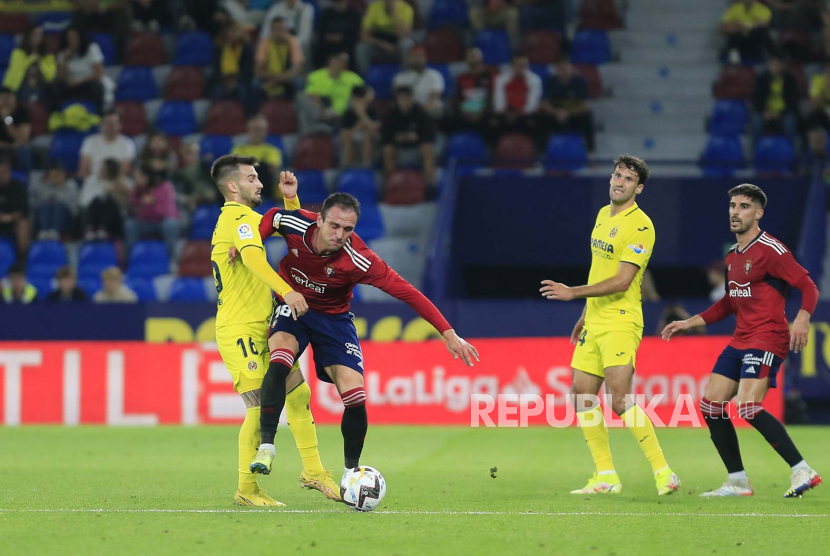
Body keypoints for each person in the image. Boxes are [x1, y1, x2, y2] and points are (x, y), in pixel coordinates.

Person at [249, 190, 479, 490]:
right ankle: (267, 446)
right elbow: (270, 218)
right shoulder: (295, 223)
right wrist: (251, 244)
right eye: (334, 226)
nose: (339, 234)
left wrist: (449, 333)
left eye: (348, 229)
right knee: (280, 359)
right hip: (294, 307)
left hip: (334, 321)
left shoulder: (359, 259)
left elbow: (406, 291)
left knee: (355, 397)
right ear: (318, 219)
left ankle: (351, 473)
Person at [661, 183, 821, 498]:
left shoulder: (772, 250)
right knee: (711, 406)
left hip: (768, 337)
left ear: (758, 213)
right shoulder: (733, 256)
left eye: (744, 206)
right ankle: (737, 481)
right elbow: (729, 302)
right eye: (733, 205)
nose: (736, 212)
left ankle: (802, 469)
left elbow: (809, 286)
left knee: (747, 406)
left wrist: (802, 318)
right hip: (740, 339)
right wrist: (689, 322)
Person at [540, 155, 681, 496]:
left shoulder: (641, 226)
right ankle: (606, 475)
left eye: (628, 179)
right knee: (581, 396)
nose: (619, 181)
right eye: (617, 175)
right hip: (596, 319)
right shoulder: (604, 215)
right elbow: (599, 271)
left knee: (619, 400)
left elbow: (621, 281)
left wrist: (573, 293)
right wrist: (585, 314)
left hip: (621, 319)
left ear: (639, 188)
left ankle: (664, 472)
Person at [209, 154, 340, 506]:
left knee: (297, 396)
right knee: (258, 408)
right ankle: (246, 490)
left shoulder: (249, 219)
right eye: (252, 178)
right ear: (233, 186)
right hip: (240, 328)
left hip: (262, 324)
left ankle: (314, 471)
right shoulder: (236, 218)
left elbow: (294, 231)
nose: (259, 183)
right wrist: (287, 290)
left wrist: (291, 202)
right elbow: (252, 257)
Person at [297, 52, 364, 134]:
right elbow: (311, 94)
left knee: (356, 100)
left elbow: (367, 93)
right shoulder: (315, 76)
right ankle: (317, 126)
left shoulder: (353, 78)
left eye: (343, 62)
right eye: (338, 61)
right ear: (331, 61)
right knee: (301, 96)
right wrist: (323, 111)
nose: (340, 64)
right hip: (322, 110)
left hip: (344, 114)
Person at [381, 85, 437, 185]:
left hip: (417, 147)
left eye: (406, 98)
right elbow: (385, 136)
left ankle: (430, 184)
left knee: (428, 148)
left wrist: (417, 138)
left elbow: (429, 135)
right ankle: (390, 184)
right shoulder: (391, 115)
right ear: (397, 99)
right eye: (401, 98)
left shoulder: (421, 113)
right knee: (387, 150)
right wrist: (397, 139)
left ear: (412, 98)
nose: (404, 101)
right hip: (398, 148)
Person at [124, 166, 180, 261]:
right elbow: (133, 210)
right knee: (129, 224)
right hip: (145, 223)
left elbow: (166, 212)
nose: (135, 180)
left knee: (170, 224)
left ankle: (171, 260)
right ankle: (130, 259)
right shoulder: (137, 190)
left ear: (146, 177)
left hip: (162, 223)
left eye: (138, 177)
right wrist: (142, 206)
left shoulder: (165, 187)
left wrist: (153, 204)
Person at [539, 59, 595, 152]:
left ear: (571, 69)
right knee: (541, 118)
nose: (563, 71)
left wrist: (568, 113)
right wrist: (556, 112)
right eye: (560, 68)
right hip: (555, 116)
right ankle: (541, 152)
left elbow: (585, 105)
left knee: (587, 117)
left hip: (573, 116)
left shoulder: (579, 82)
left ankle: (590, 151)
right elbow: (544, 104)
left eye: (566, 68)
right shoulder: (550, 82)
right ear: (556, 70)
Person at [51, 26, 107, 113]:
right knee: (55, 86)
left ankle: (99, 115)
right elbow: (61, 78)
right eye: (69, 38)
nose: (72, 41)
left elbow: (98, 74)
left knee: (97, 86)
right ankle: (55, 115)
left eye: (74, 37)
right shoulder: (63, 54)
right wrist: (65, 60)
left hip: (87, 83)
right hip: (70, 86)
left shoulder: (92, 48)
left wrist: (78, 81)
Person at [750, 54, 800, 149]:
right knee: (756, 123)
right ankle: (756, 155)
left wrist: (780, 113)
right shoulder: (761, 79)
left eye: (777, 64)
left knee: (789, 124)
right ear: (769, 64)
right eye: (773, 64)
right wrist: (764, 112)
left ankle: (789, 153)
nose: (775, 66)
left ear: (782, 65)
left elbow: (793, 103)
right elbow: (756, 101)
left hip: (784, 112)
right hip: (765, 112)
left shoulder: (790, 79)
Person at [231, 115, 283, 199]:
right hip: (242, 184)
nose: (256, 133)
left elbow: (272, 170)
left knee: (263, 169)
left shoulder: (272, 150)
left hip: (263, 185)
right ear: (248, 131)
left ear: (265, 131)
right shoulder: (238, 149)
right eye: (254, 129)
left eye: (259, 130)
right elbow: (233, 169)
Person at [254, 17, 305, 101]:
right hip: (270, 75)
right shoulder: (264, 43)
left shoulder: (293, 41)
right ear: (271, 30)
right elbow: (258, 70)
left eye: (282, 29)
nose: (279, 32)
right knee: (255, 83)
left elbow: (297, 68)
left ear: (287, 30)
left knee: (299, 82)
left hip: (287, 77)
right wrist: (277, 77)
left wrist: (273, 83)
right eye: (276, 29)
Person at [2, 26, 56, 103]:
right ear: (28, 36)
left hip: (41, 87)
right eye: (35, 35)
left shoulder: (48, 57)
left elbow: (50, 77)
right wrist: (32, 59)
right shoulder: (18, 53)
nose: (37, 38)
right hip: (20, 88)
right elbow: (16, 72)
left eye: (40, 35)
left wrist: (39, 61)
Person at [78, 111, 136, 183]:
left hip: (117, 182)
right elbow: (84, 168)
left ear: (120, 125)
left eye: (113, 123)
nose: (110, 126)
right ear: (101, 125)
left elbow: (125, 170)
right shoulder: (90, 141)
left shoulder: (127, 143)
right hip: (94, 181)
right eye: (107, 123)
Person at [357, 0, 414, 73]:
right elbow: (363, 36)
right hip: (378, 47)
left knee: (407, 44)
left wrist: (394, 14)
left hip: (396, 48)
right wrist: (383, 45)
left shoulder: (406, 8)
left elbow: (404, 35)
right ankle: (364, 79)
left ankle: (406, 76)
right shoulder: (374, 7)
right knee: (361, 47)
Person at [393, 45, 445, 119]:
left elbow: (435, 94)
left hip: (429, 108)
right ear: (408, 59)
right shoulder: (400, 77)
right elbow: (398, 96)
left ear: (425, 58)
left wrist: (427, 106)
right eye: (414, 56)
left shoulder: (434, 75)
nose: (417, 59)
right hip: (408, 109)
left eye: (420, 56)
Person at [30, 161, 79, 240]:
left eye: (58, 174)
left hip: (66, 218)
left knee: (58, 206)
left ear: (64, 174)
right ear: (49, 175)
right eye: (53, 175)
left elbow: (74, 209)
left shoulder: (71, 185)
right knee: (45, 204)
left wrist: (60, 202)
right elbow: (34, 204)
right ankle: (44, 232)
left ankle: (55, 232)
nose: (56, 177)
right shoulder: (43, 186)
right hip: (45, 215)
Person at [340, 86, 380, 168]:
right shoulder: (348, 114)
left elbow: (374, 128)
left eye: (360, 100)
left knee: (368, 136)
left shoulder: (372, 112)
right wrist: (359, 125)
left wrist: (362, 115)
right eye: (356, 100)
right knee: (346, 135)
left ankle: (366, 165)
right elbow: (346, 131)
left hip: (368, 137)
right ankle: (346, 166)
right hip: (352, 136)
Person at [314, 0, 362, 69]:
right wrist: (329, 37)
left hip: (347, 44)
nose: (338, 5)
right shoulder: (325, 13)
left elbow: (357, 33)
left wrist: (342, 37)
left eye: (340, 2)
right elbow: (320, 32)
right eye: (336, 2)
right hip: (328, 43)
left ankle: (353, 72)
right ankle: (320, 71)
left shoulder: (354, 13)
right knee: (318, 48)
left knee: (355, 49)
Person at [0, 155, 30, 255]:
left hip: (13, 222)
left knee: (23, 225)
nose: (1, 175)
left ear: (9, 171)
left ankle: (22, 258)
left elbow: (22, 211)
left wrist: (7, 217)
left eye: (4, 172)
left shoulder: (18, 187)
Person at [0, 86, 32, 170]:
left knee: (24, 151)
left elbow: (22, 138)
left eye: (9, 99)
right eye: (3, 99)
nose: (6, 102)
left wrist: (7, 119)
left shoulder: (22, 112)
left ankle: (25, 178)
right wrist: (9, 146)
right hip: (5, 146)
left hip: (17, 148)